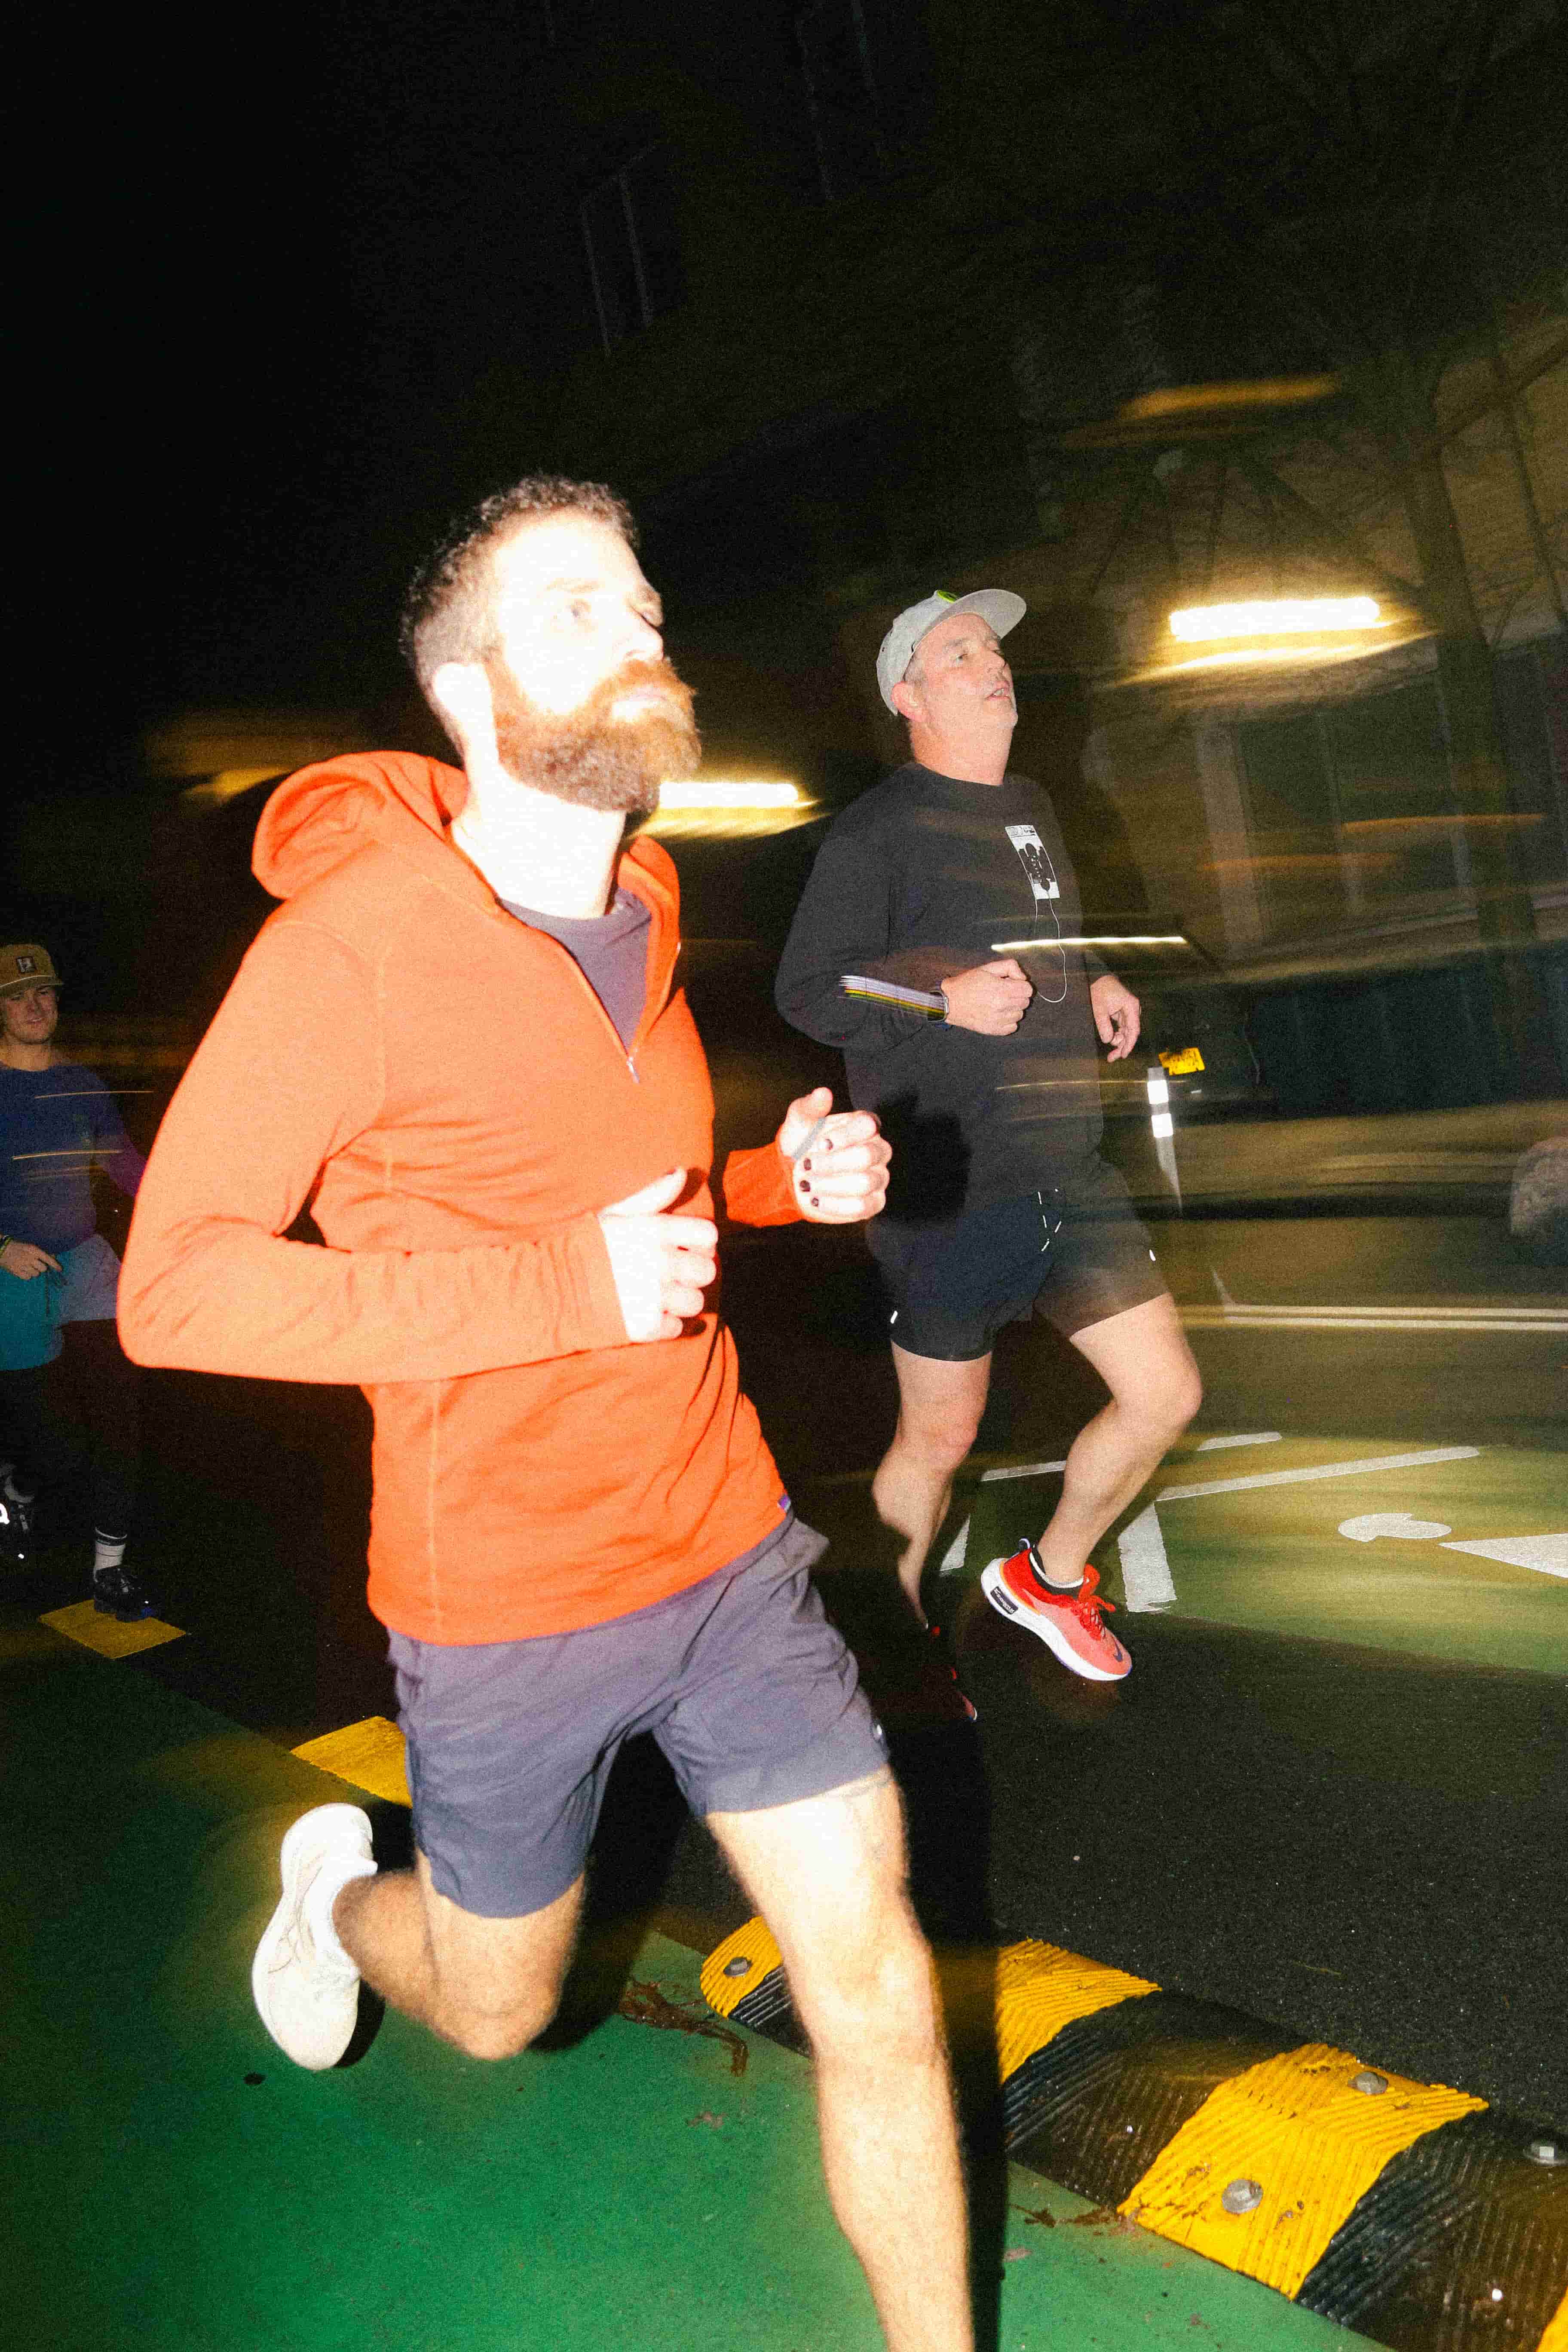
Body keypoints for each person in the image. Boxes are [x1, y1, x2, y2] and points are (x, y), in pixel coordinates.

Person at [120, 480, 973, 2352]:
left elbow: (625, 1187)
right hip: (506, 1596)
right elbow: (177, 1288)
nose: (645, 624)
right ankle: (345, 1899)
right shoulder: (346, 948)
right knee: (503, 2011)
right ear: (466, 688)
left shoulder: (650, 902)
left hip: (729, 1546)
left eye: (645, 595)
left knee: (882, 1988)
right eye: (581, 604)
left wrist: (774, 1179)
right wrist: (556, 1293)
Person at [775, 590, 1202, 1683]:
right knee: (939, 1439)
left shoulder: (1029, 804)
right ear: (909, 696)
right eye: (959, 651)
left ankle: (1049, 1578)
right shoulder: (879, 830)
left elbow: (1038, 932)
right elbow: (808, 989)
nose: (992, 663)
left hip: (1065, 1164)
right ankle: (889, 1656)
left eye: (995, 647)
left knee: (1166, 1397)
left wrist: (1094, 972)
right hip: (946, 1178)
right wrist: (940, 1003)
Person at [0, 942, 153, 1618]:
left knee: (120, 1411)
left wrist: (191, 1205)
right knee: (49, 1443)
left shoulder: (84, 1083)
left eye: (46, 994)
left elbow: (124, 1165)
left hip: (85, 1261)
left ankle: (110, 1568)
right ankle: (19, 1485)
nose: (36, 1007)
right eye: (18, 996)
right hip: (12, 1269)